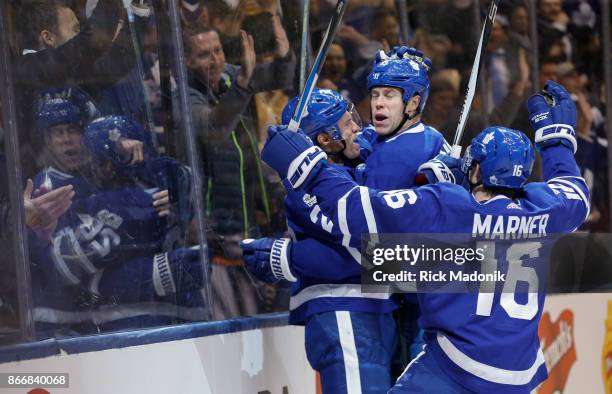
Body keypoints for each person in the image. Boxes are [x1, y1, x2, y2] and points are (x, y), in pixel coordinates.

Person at [259, 80, 588, 393]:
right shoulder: (543, 211)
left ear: (474, 172)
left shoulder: (447, 206)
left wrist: (309, 169)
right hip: (521, 373)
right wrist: (556, 141)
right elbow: (575, 193)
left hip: (458, 366)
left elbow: (358, 211)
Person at [244, 89, 399, 394]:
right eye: (347, 123)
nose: (357, 127)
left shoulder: (350, 174)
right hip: (341, 309)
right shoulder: (312, 187)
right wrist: (293, 260)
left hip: (371, 309)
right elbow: (372, 251)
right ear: (325, 139)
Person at [183, 20, 295, 318]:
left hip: (248, 219)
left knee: (260, 316)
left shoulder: (233, 77)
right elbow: (213, 129)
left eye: (218, 50)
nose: (215, 60)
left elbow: (277, 76)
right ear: (187, 60)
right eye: (204, 54)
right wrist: (244, 85)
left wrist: (283, 55)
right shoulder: (183, 95)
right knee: (231, 323)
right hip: (214, 231)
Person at [15, 0, 135, 178]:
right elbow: (91, 42)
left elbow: (117, 62)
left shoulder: (64, 72)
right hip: (43, 191)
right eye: (76, 29)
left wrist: (140, 13)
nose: (80, 36)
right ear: (48, 38)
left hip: (82, 185)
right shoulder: (29, 68)